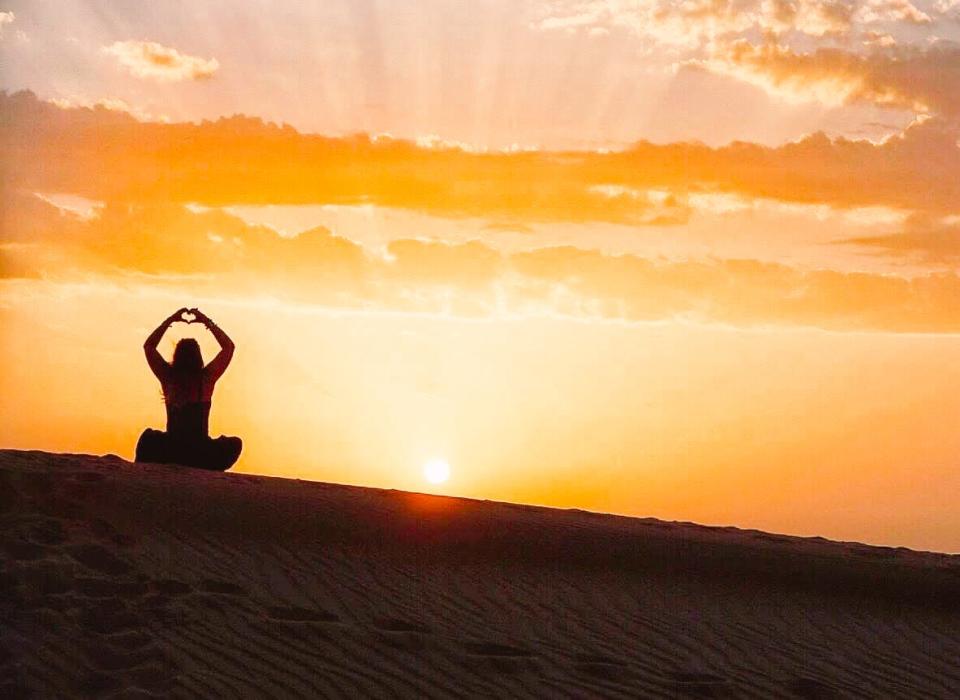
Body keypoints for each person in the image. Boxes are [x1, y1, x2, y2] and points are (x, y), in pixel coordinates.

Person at [135, 307, 242, 471]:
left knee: (148, 439)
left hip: (171, 451)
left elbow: (149, 346)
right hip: (199, 453)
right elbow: (228, 347)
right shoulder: (206, 380)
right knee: (234, 443)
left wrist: (170, 320)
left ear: (176, 356)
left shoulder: (168, 378)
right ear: (198, 357)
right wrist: (206, 321)